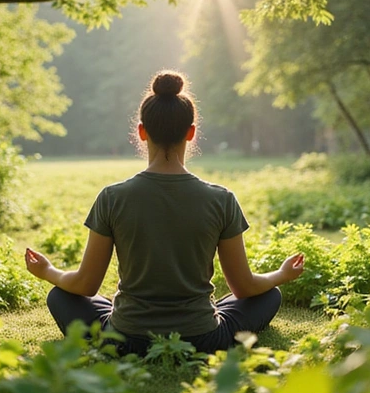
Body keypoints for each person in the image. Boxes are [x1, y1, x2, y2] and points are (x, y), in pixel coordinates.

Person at [25, 70, 304, 355]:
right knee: (268, 295)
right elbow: (245, 287)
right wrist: (281, 274)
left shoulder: (112, 197)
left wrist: (47, 270)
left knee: (60, 296)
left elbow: (85, 284)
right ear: (191, 132)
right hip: (202, 339)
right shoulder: (222, 199)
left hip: (124, 339)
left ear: (142, 131)